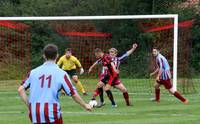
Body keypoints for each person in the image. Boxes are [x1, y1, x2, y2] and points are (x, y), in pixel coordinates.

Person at [18, 44, 92, 124]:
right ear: (57, 56)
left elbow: (20, 89)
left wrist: (29, 105)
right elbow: (73, 93)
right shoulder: (61, 74)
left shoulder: (33, 72)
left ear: (44, 56)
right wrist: (85, 105)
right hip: (51, 112)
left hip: (34, 112)